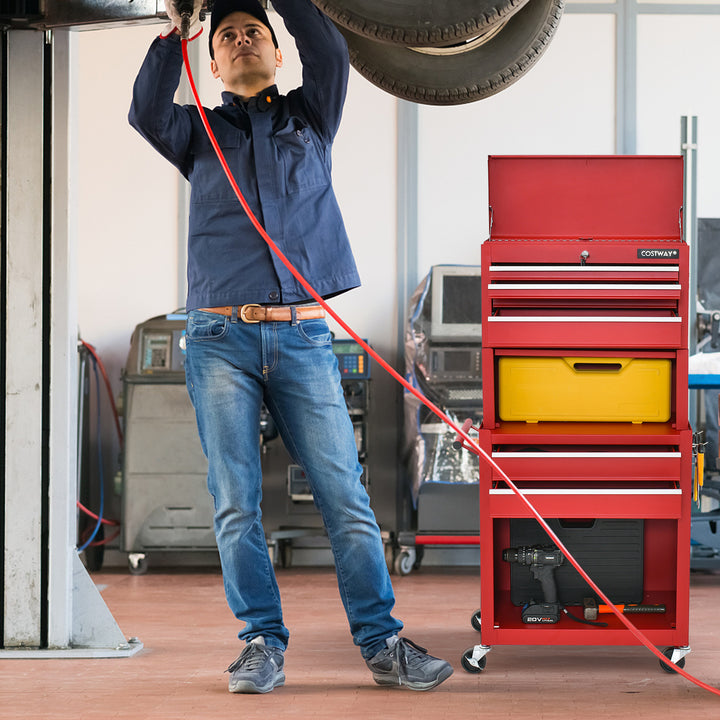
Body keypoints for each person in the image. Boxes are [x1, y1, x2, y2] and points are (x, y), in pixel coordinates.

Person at [129, 0, 453, 695]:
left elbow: (331, 52)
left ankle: (382, 643)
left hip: (304, 337)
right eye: (228, 38)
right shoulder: (196, 134)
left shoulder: (312, 117)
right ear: (212, 65)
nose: (242, 40)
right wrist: (177, 30)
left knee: (344, 493)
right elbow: (146, 112)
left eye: (254, 34)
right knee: (236, 500)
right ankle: (260, 645)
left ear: (277, 54)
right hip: (218, 340)